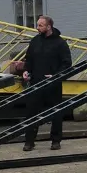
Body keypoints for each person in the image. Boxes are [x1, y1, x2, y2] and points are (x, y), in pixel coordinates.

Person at [22, 15, 72, 151]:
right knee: (32, 112)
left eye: (40, 25)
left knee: (56, 113)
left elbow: (67, 64)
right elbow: (29, 59)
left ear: (49, 27)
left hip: (53, 84)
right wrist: (26, 71)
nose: (37, 28)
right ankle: (29, 142)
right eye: (38, 25)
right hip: (36, 82)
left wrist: (56, 76)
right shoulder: (35, 41)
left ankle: (56, 141)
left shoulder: (60, 43)